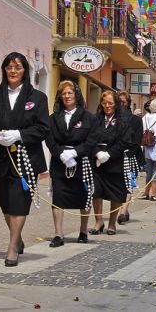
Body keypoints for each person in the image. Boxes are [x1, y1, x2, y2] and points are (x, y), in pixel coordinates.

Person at [0, 52, 50, 267]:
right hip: (1, 158)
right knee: (6, 204)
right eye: (9, 67)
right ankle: (17, 238)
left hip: (26, 160)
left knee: (19, 202)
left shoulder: (37, 97)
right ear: (4, 71)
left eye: (17, 67)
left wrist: (20, 135)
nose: (13, 71)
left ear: (24, 71)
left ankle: (11, 249)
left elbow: (43, 128)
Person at [46, 80, 99, 247]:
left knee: (84, 197)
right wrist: (61, 154)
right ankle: (58, 234)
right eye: (64, 93)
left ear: (76, 95)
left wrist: (75, 152)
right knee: (58, 197)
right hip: (59, 162)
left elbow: (92, 140)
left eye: (70, 93)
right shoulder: (53, 118)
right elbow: (49, 139)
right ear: (60, 97)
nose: (67, 96)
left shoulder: (89, 117)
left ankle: (83, 231)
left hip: (82, 161)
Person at [90, 90, 133, 236]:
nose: (107, 106)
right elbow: (89, 138)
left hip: (115, 160)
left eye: (110, 103)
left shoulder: (124, 120)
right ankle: (98, 221)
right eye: (104, 103)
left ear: (116, 104)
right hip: (97, 162)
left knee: (116, 194)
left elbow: (125, 140)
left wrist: (109, 154)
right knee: (96, 192)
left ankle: (112, 223)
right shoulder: (96, 119)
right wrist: (97, 153)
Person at [116, 91, 143, 225]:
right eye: (119, 102)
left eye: (124, 102)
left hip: (130, 156)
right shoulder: (113, 118)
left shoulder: (136, 120)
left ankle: (122, 212)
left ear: (128, 103)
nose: (121, 105)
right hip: (115, 156)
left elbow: (137, 140)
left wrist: (128, 153)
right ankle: (124, 210)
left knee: (128, 184)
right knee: (118, 185)